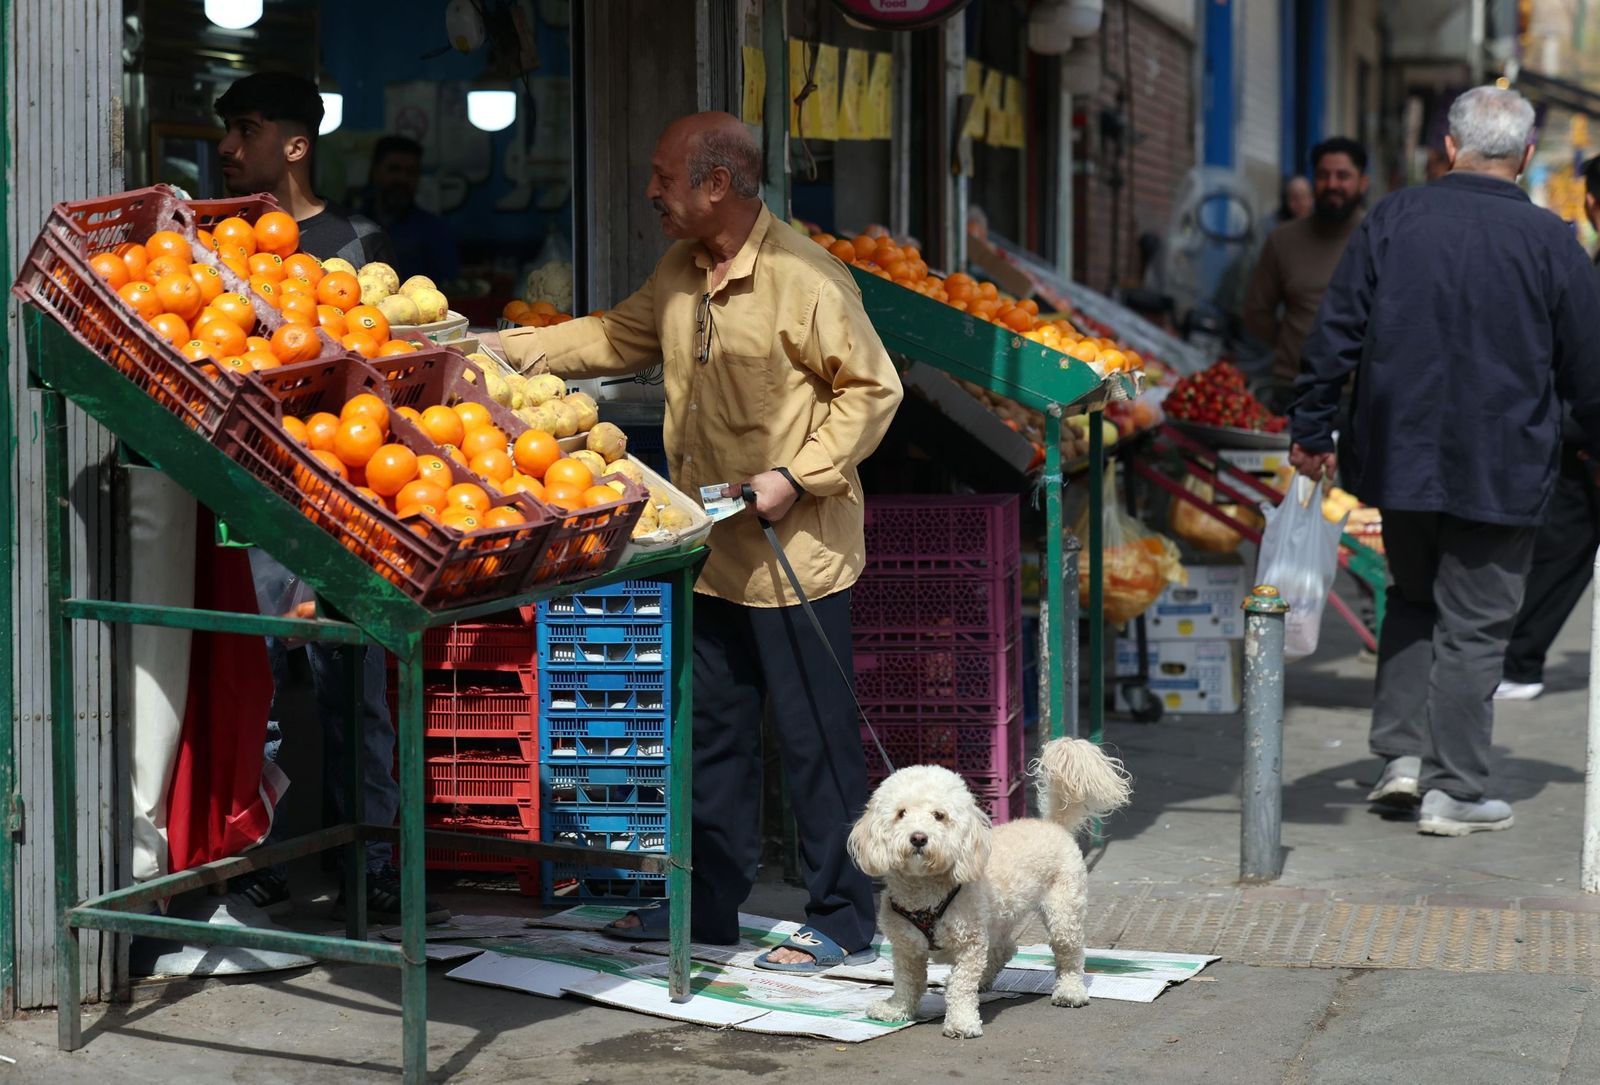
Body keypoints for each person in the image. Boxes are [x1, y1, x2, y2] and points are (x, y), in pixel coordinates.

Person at [487, 112, 903, 970]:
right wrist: (503, 351)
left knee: (814, 738)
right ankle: (709, 907)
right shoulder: (682, 271)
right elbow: (613, 337)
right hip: (712, 552)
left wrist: (795, 473)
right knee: (713, 735)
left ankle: (843, 914)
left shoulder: (807, 280)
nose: (651, 193)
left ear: (717, 184)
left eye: (663, 177)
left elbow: (870, 390)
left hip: (797, 553)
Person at [1290, 86, 1600, 836]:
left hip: (1400, 460)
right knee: (1477, 624)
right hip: (1504, 466)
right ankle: (1454, 787)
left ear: (1451, 148)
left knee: (1412, 598)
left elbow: (1336, 332)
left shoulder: (1393, 219)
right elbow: (1588, 372)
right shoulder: (1552, 242)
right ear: (1527, 157)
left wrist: (1312, 427)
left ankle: (1400, 758)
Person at [214, 72, 443, 923]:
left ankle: (373, 856)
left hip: (346, 494)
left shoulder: (353, 247)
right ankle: (263, 854)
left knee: (356, 685)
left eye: (246, 129)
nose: (230, 148)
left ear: (295, 145)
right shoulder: (214, 240)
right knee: (260, 687)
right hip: (250, 494)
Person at [1496, 153, 1600, 701]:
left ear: (1590, 205)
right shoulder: (1586, 264)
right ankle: (1518, 661)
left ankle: (1519, 662)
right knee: (1560, 549)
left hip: (1584, 439)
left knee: (1559, 549)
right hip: (1581, 441)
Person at [1243, 138, 1371, 398]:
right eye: (1323, 175)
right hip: (1293, 388)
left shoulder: (1381, 239)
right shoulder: (1283, 240)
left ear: (1362, 183)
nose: (1332, 184)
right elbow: (1256, 311)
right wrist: (1294, 344)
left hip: (1360, 396)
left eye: (1343, 175)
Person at [360, 135, 460, 285]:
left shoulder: (436, 230)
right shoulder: (350, 224)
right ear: (374, 171)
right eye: (394, 169)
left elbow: (450, 287)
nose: (402, 179)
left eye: (411, 172)